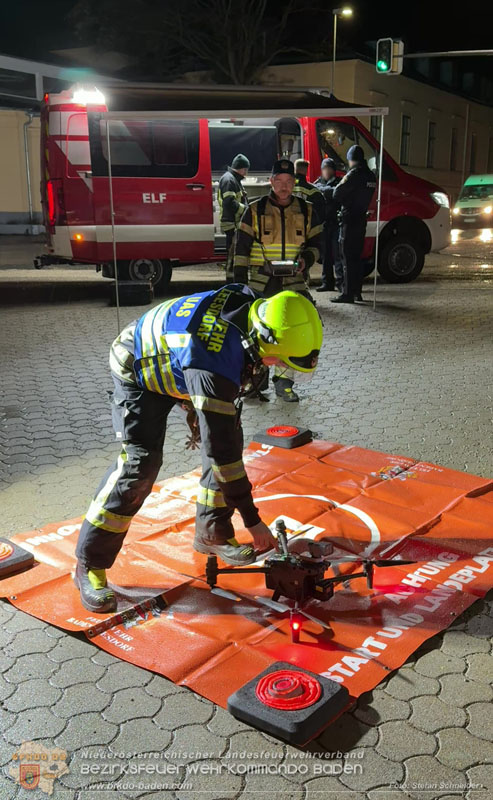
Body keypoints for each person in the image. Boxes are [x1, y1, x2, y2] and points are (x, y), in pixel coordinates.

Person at [74, 285, 323, 613]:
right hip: (137, 366)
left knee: (227, 439)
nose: (276, 367)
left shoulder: (256, 310)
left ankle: (213, 533)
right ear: (265, 340)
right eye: (278, 360)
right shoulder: (213, 363)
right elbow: (222, 453)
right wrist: (253, 520)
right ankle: (89, 562)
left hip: (180, 361)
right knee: (141, 463)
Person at [233, 159, 323, 403]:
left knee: (291, 336)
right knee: (256, 337)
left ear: (295, 183)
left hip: (293, 283)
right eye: (279, 182)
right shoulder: (254, 209)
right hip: (260, 283)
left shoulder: (307, 210)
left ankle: (284, 385)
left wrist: (306, 259)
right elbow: (240, 249)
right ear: (271, 182)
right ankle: (254, 384)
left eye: (288, 182)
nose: (284, 187)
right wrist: (238, 285)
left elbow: (318, 245)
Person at [331, 145, 376, 304]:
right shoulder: (371, 176)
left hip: (349, 220)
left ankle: (347, 293)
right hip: (361, 220)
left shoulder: (354, 174)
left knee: (347, 257)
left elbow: (337, 193)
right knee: (357, 257)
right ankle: (357, 291)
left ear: (351, 159)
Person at [218, 154, 250, 278]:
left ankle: (233, 279)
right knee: (232, 255)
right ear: (242, 168)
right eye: (246, 170)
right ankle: (230, 282)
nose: (246, 173)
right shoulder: (229, 180)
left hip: (234, 224)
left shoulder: (232, 179)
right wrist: (245, 210)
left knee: (234, 254)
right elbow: (229, 202)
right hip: (231, 224)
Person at [314, 157, 343, 293]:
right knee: (325, 255)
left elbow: (337, 193)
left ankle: (341, 283)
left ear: (333, 170)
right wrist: (327, 190)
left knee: (337, 255)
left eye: (329, 169)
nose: (326, 171)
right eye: (324, 169)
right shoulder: (318, 182)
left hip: (336, 224)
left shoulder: (340, 182)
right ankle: (327, 283)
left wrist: (325, 191)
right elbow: (315, 192)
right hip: (324, 224)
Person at [293, 159, 326, 229]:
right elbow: (321, 215)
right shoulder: (315, 192)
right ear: (306, 171)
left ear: (295, 169)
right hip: (307, 231)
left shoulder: (286, 188)